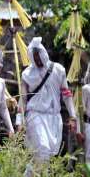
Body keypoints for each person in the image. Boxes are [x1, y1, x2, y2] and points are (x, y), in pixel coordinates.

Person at [17, 37, 77, 166]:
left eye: (39, 55)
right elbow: (22, 99)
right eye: (34, 57)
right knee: (42, 149)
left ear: (44, 53)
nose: (38, 59)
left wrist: (73, 116)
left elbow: (66, 93)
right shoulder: (27, 74)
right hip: (35, 115)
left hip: (54, 117)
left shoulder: (59, 69)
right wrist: (19, 120)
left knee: (47, 154)